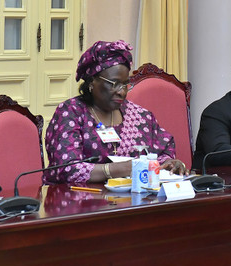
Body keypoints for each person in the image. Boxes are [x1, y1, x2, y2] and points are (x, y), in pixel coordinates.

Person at [44, 40, 187, 184]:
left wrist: (169, 163)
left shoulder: (140, 116)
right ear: (92, 81)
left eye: (125, 84)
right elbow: (67, 169)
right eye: (114, 84)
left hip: (133, 201)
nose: (122, 92)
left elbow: (163, 150)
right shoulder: (70, 112)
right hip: (79, 200)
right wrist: (116, 169)